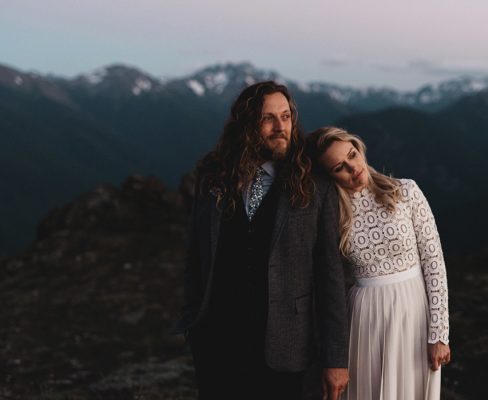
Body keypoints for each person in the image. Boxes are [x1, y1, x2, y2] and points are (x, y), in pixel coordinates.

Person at [172, 82, 349, 399]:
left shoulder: (315, 185)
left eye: (286, 116)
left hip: (287, 346)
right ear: (246, 124)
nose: (280, 127)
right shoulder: (213, 176)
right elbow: (195, 255)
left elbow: (330, 275)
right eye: (268, 118)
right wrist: (193, 321)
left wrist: (336, 359)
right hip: (218, 343)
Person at [306, 126, 451, 400]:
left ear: (359, 148)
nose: (353, 167)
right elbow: (328, 279)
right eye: (340, 167)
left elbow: (434, 263)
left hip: (414, 314)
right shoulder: (332, 215)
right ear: (329, 176)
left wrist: (439, 334)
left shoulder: (406, 192)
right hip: (364, 320)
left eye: (353, 154)